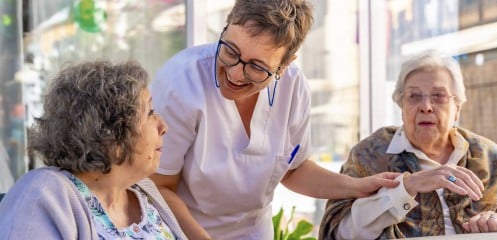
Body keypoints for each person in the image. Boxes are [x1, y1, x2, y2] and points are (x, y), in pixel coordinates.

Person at [149, 0, 400, 239]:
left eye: (257, 67)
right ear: (225, 27)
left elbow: (294, 170)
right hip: (181, 231)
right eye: (230, 50)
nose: (235, 73)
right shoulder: (180, 83)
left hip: (255, 232)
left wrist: (357, 187)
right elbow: (160, 187)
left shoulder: (293, 86)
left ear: (285, 65)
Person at [319, 51, 497, 239]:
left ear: (457, 107)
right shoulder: (371, 153)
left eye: (438, 96)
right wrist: (406, 187)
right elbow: (340, 231)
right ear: (402, 106)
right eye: (414, 96)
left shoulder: (486, 154)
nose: (426, 106)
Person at [0, 61, 187, 239]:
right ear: (110, 134)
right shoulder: (44, 193)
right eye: (150, 113)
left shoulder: (144, 191)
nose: (163, 126)